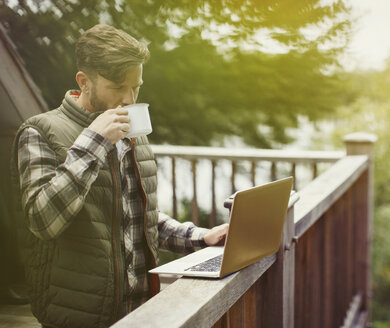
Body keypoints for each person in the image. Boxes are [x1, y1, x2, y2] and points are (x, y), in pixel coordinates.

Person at [12, 24, 229, 328]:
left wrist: (199, 237)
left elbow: (136, 217)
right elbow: (43, 220)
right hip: (76, 318)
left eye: (136, 87)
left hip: (139, 314)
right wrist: (94, 142)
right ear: (84, 82)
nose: (129, 99)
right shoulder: (39, 132)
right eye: (118, 87)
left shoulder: (132, 132)